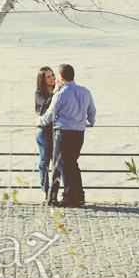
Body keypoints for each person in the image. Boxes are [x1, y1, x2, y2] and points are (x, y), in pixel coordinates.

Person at [37, 64, 96, 208]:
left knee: (63, 165)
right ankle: (79, 196)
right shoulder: (85, 92)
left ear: (61, 78)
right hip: (79, 133)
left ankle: (69, 197)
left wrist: (39, 121)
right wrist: (90, 123)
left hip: (63, 134)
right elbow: (92, 112)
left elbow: (49, 116)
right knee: (73, 164)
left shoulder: (60, 95)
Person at [34, 66, 57, 199]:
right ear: (42, 79)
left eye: (53, 75)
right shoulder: (39, 94)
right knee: (44, 162)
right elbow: (48, 105)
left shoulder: (59, 92)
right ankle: (45, 192)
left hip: (57, 132)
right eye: (48, 77)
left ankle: (54, 194)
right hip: (44, 132)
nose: (52, 78)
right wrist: (55, 91)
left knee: (57, 163)